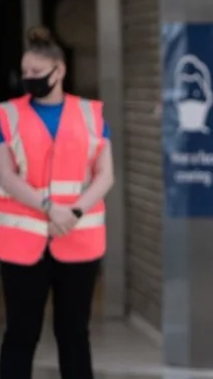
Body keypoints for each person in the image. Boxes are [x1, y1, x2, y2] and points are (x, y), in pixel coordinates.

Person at [0, 26, 114, 379]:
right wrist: (51, 208)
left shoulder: (91, 114)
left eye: (37, 72)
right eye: (26, 73)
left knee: (74, 334)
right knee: (21, 334)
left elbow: (105, 175)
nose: (29, 79)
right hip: (22, 243)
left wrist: (74, 211)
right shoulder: (8, 114)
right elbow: (5, 176)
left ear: (59, 70)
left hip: (78, 239)